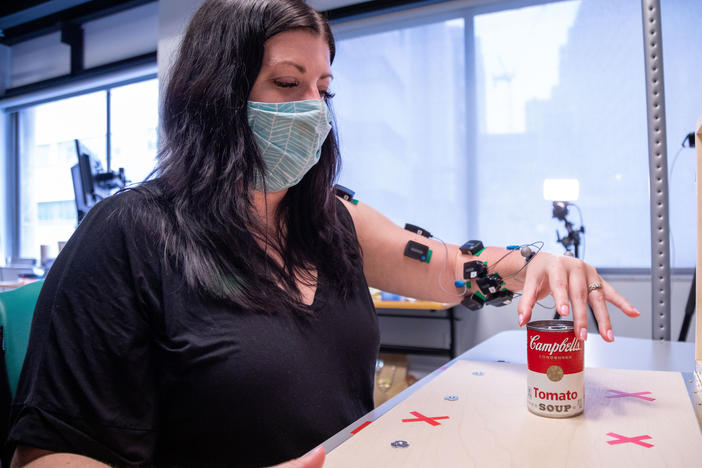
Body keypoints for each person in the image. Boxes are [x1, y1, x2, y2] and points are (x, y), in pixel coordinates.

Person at [7, 0, 639, 467]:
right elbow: (47, 457)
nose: (313, 108)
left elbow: (445, 266)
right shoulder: (128, 235)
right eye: (288, 84)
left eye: (323, 89)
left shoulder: (330, 219)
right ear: (215, 94)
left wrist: (532, 264)